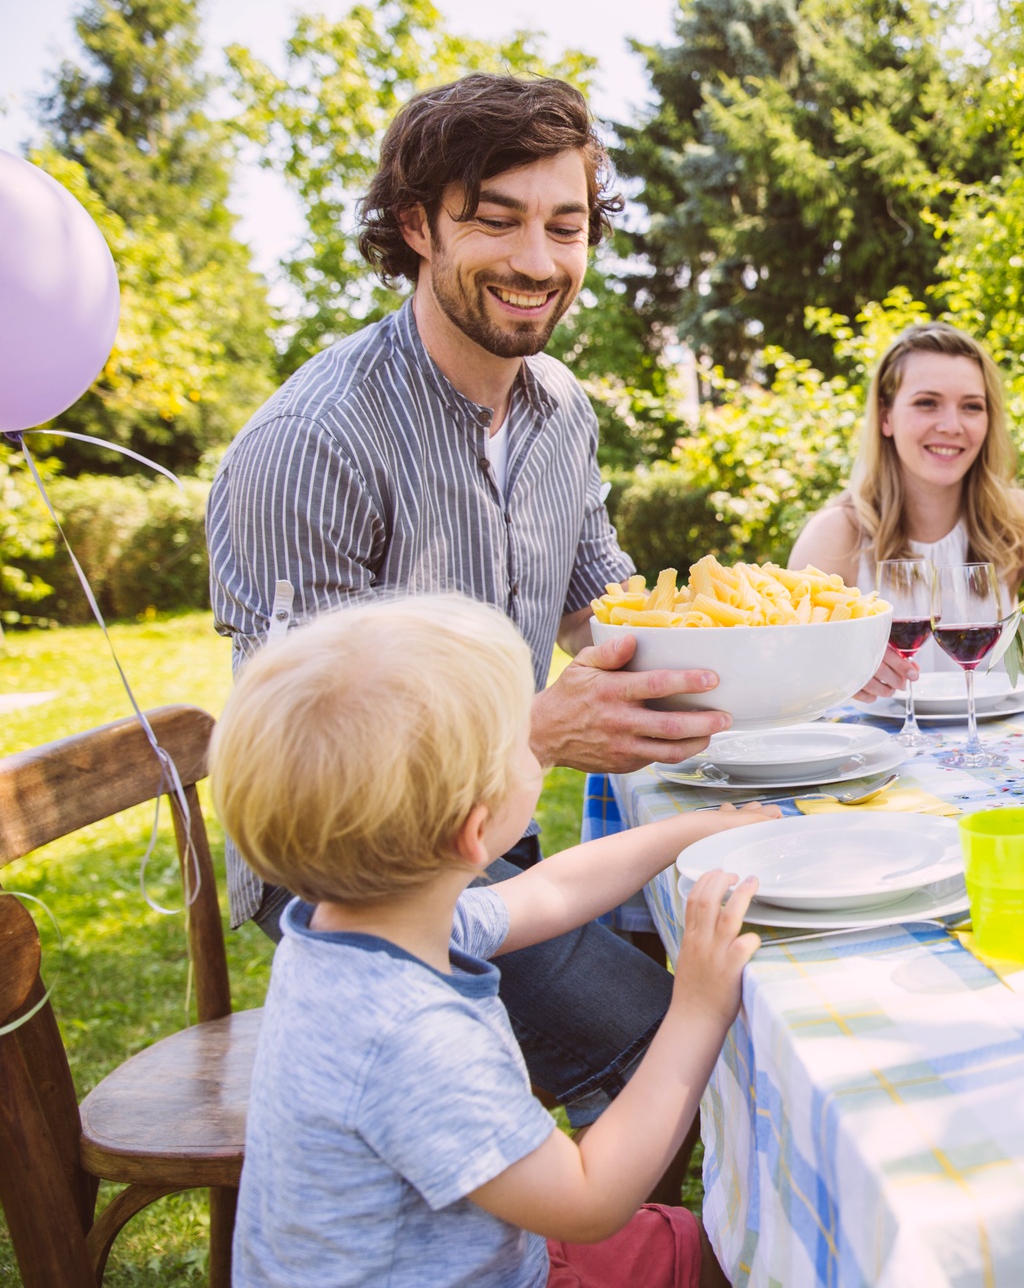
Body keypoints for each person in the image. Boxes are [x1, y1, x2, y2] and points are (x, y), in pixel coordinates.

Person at [206, 74, 716, 1122]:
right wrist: (533, 731)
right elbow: (303, 775)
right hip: (355, 882)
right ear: (416, 226)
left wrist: (754, 650)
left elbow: (597, 598)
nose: (537, 262)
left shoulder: (562, 409)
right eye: (496, 222)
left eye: (564, 227)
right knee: (672, 1038)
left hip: (499, 831)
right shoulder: (314, 444)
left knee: (741, 909)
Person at [213, 595, 777, 1287]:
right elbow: (591, 1197)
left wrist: (689, 831)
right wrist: (697, 1006)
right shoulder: (414, 1039)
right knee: (702, 1254)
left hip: (484, 1253)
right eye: (521, 736)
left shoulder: (362, 925)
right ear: (476, 832)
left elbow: (551, 892)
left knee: (689, 1242)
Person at [789, 322, 1024, 691]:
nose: (951, 425)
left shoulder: (1017, 517)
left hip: (993, 745)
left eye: (971, 406)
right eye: (926, 403)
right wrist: (837, 673)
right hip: (878, 746)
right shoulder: (837, 533)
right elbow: (787, 670)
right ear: (886, 417)